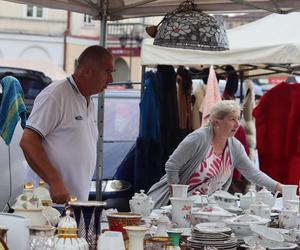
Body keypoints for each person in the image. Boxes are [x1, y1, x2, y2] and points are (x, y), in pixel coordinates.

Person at [19, 45, 115, 204]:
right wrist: (55, 181)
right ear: (86, 71)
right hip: (48, 204)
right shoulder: (56, 95)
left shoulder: (88, 100)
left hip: (74, 204)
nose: (111, 79)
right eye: (107, 72)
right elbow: (28, 141)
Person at [147, 100, 282, 209]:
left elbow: (254, 174)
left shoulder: (235, 146)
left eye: (238, 119)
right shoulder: (198, 138)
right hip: (168, 205)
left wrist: (279, 187)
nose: (237, 124)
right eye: (232, 119)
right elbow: (172, 165)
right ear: (217, 122)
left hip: (202, 209)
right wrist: (176, 198)